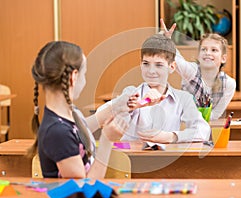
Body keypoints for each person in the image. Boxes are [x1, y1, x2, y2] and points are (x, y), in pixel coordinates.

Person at [28, 41, 130, 178]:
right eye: (84, 74)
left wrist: (118, 106)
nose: (85, 80)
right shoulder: (57, 132)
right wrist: (106, 141)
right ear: (73, 77)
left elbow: (80, 130)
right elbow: (83, 190)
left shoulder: (68, 113)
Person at [104, 34, 211, 143]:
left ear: (172, 67)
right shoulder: (131, 93)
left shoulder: (183, 98)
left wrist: (171, 137)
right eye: (146, 64)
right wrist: (131, 107)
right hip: (132, 157)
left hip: (166, 156)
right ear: (141, 64)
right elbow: (108, 120)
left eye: (159, 65)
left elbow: (204, 131)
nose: (151, 71)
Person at [160, 19, 236, 120]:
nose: (208, 53)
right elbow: (177, 60)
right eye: (204, 49)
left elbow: (216, 114)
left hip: (206, 129)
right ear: (199, 55)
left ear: (223, 58)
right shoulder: (192, 71)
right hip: (184, 125)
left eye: (214, 50)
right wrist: (168, 41)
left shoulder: (229, 83)